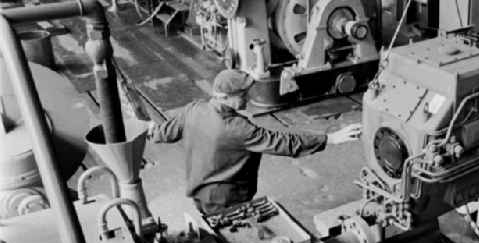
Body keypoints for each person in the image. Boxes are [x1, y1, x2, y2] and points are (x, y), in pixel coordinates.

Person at [147, 69, 361, 214]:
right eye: (243, 95)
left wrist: (151, 131)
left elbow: (165, 133)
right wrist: (330, 138)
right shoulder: (236, 129)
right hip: (226, 200)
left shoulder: (194, 109)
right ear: (226, 97)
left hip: (199, 193)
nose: (248, 99)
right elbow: (282, 142)